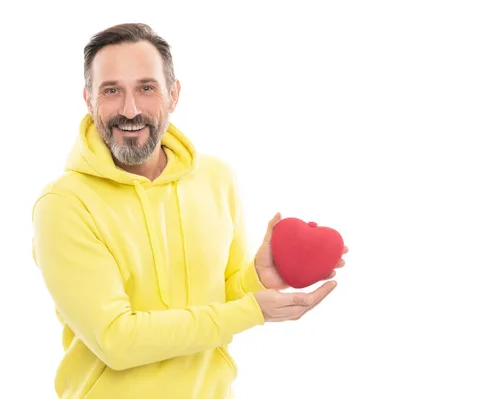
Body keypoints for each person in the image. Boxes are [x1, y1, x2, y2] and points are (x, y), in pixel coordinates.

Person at [31, 22, 348, 399]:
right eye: (111, 91)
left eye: (146, 88)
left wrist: (257, 281)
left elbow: (222, 302)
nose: (130, 110)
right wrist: (252, 311)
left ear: (174, 94)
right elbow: (117, 340)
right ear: (88, 100)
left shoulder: (217, 178)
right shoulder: (64, 205)